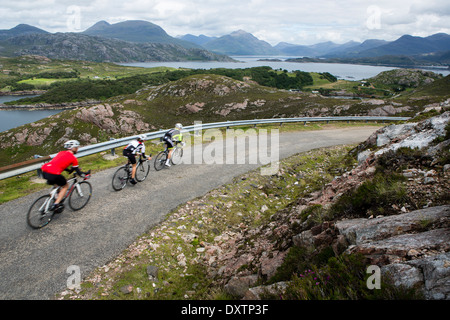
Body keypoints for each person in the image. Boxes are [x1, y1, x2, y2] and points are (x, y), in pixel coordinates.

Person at [41, 140, 85, 212]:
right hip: (54, 173)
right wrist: (85, 174)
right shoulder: (73, 158)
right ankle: (56, 204)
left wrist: (69, 171)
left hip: (45, 171)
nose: (77, 149)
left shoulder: (61, 153)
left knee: (57, 184)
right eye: (76, 147)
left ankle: (55, 196)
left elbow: (60, 164)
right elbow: (78, 172)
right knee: (65, 186)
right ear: (72, 148)